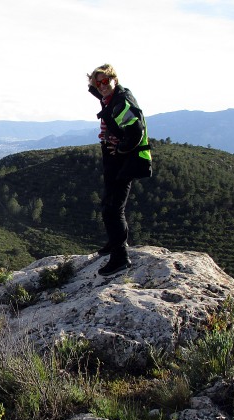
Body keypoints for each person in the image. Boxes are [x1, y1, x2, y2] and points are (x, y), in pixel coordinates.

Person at [87, 64, 152, 276]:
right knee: (108, 203)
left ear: (115, 79)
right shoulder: (110, 98)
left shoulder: (122, 101)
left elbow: (136, 131)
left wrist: (121, 148)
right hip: (115, 159)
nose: (102, 86)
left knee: (114, 208)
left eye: (105, 81)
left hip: (126, 160)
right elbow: (98, 92)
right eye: (98, 83)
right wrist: (94, 86)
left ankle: (120, 257)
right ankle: (113, 244)